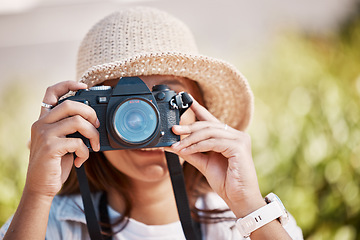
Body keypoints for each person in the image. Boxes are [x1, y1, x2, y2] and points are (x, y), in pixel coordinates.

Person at [0, 7, 303, 240]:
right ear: (88, 116)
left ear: (197, 109)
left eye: (164, 97)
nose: (142, 121)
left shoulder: (243, 223)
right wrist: (38, 194)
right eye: (122, 103)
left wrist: (248, 206)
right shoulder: (49, 222)